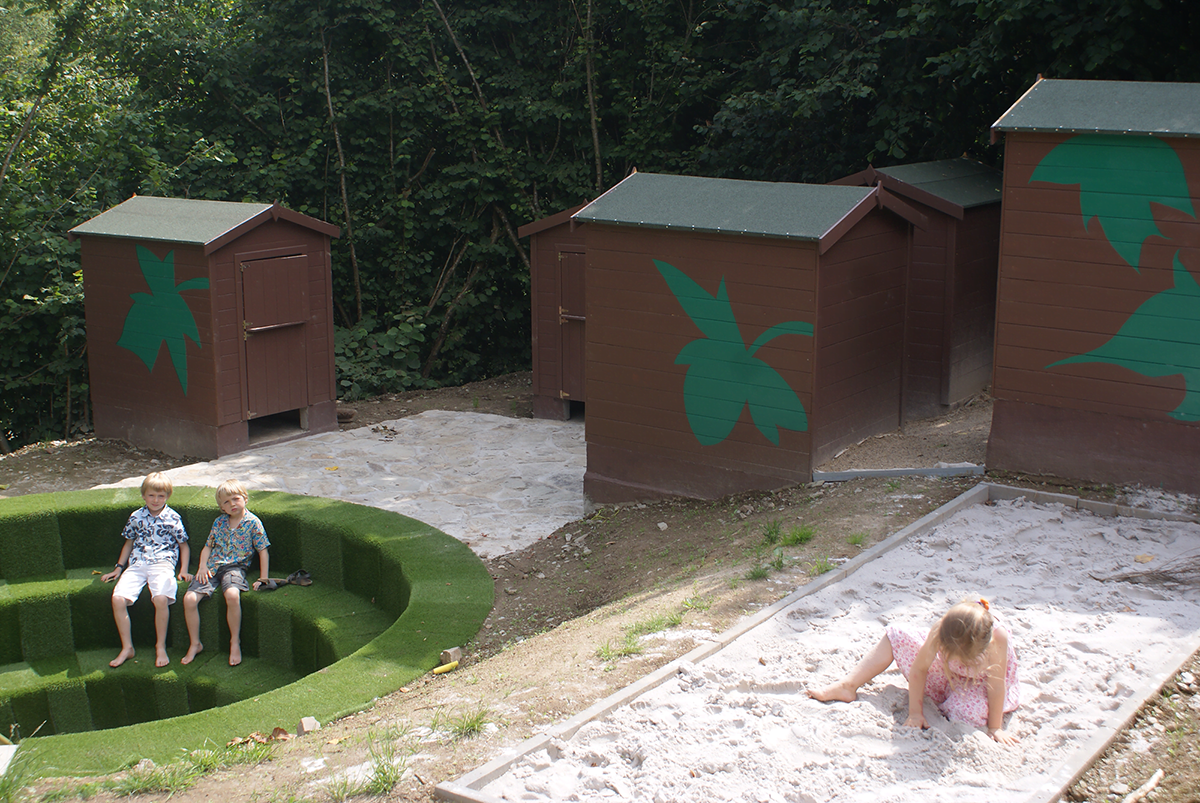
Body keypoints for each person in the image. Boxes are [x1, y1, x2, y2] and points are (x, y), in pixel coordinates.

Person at [807, 598, 1020, 744]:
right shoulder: (943, 628)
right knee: (896, 635)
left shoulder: (997, 638)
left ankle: (955, 700)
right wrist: (915, 713)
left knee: (965, 713)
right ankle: (848, 686)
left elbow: (996, 684)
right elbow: (920, 668)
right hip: (948, 673)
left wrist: (995, 728)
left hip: (978, 683)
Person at [101, 472, 190, 668]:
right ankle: (127, 647)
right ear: (143, 495)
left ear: (167, 496)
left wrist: (183, 569)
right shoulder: (136, 516)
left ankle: (160, 646)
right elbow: (128, 543)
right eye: (151, 495)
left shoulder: (173, 517)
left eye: (161, 496)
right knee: (117, 599)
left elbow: (183, 545)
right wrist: (118, 568)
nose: (156, 500)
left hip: (163, 563)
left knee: (160, 599)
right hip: (138, 564)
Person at [180, 479, 270, 667]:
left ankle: (234, 641)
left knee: (232, 594)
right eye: (226, 502)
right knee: (189, 599)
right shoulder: (219, 522)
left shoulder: (253, 523)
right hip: (212, 566)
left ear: (245, 498)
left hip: (236, 567)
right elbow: (207, 547)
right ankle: (195, 643)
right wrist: (202, 566)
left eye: (235, 499)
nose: (232, 505)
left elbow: (263, 551)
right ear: (221, 507)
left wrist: (263, 578)